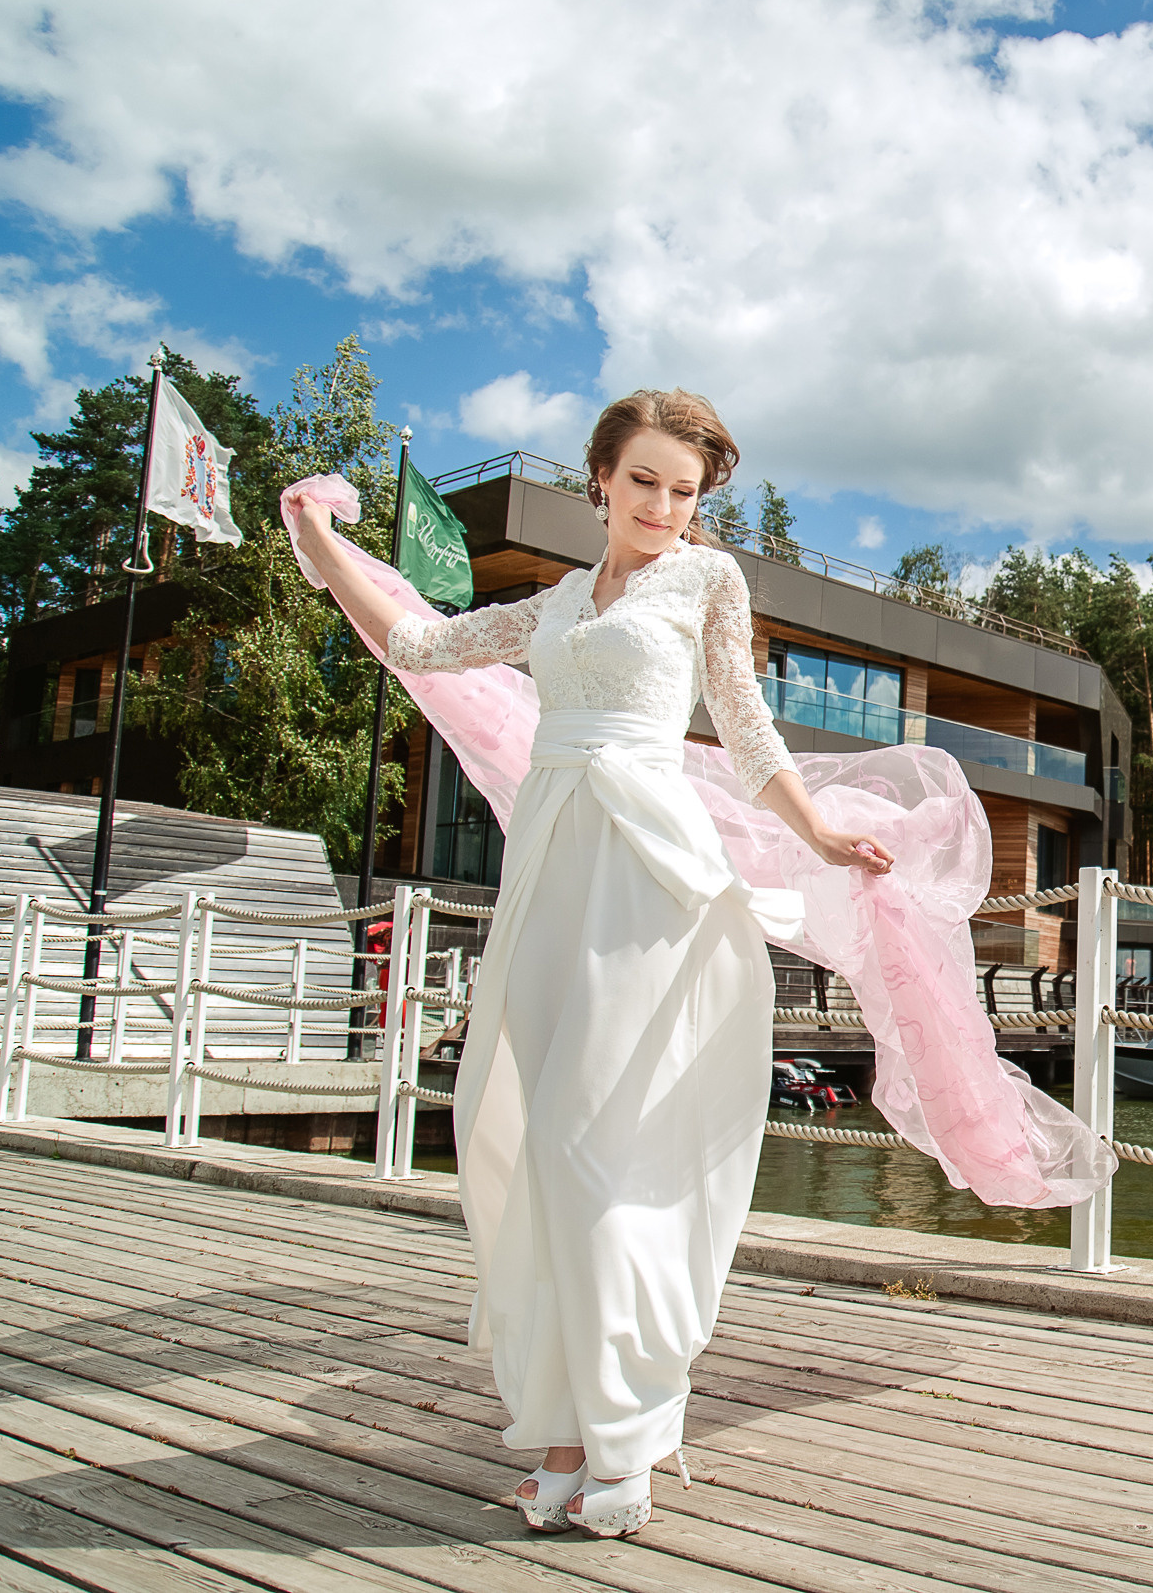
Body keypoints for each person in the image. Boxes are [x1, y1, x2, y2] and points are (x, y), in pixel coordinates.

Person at [289, 389, 892, 1538]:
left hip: (646, 874)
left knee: (591, 1143)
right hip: (551, 867)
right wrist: (320, 540)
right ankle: (567, 1437)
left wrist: (815, 831)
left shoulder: (708, 584)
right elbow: (417, 643)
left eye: (686, 489)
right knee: (520, 1134)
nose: (667, 505)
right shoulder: (558, 603)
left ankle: (626, 1439)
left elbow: (745, 723)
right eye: (646, 482)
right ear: (599, 483)